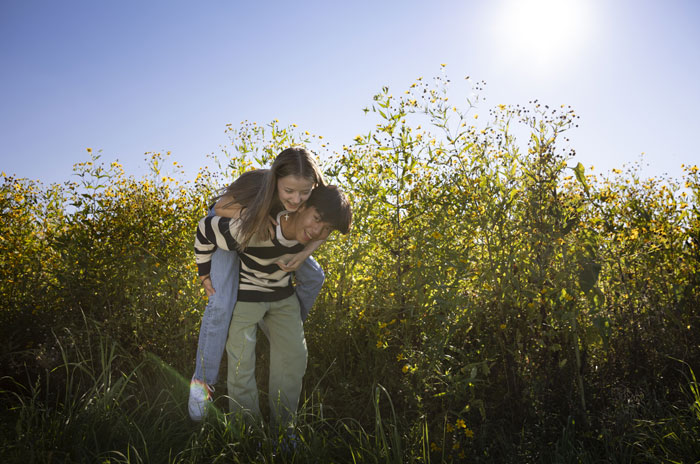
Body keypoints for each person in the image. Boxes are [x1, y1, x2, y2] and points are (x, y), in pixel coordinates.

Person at [194, 184, 352, 429]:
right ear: (300, 206)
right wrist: (204, 274)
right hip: (236, 235)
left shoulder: (311, 205)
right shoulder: (264, 197)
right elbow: (208, 224)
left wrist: (309, 247)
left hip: (278, 291)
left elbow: (325, 221)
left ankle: (285, 425)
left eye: (327, 228)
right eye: (317, 219)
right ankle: (208, 390)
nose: (319, 230)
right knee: (222, 304)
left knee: (294, 349)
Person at [189, 147, 327, 421]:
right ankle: (201, 386)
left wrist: (303, 254)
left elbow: (333, 224)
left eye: (304, 193)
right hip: (232, 224)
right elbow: (218, 209)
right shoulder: (257, 183)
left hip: (272, 234)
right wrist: (257, 214)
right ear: (275, 179)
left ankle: (277, 328)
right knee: (221, 301)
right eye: (289, 191)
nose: (297, 199)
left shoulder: (316, 193)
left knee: (314, 276)